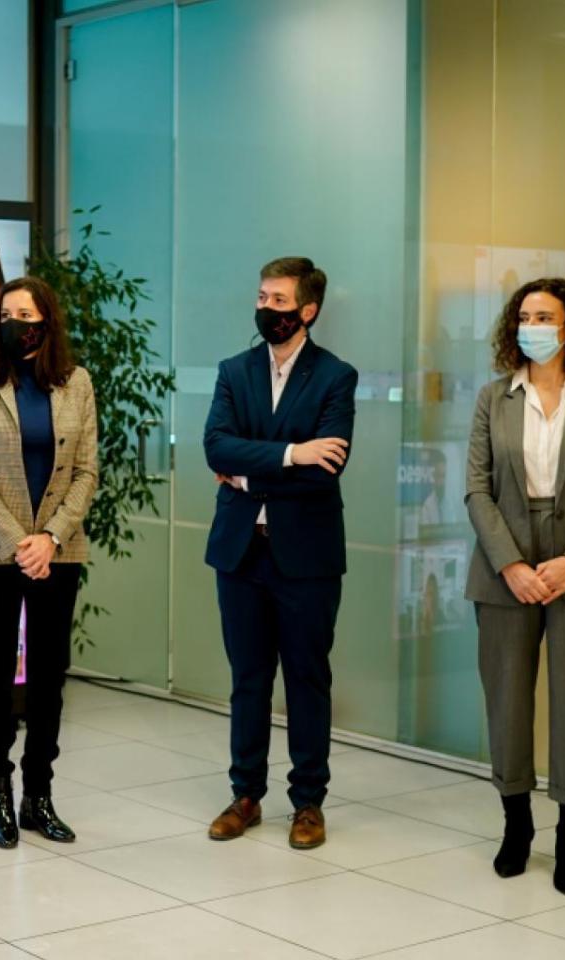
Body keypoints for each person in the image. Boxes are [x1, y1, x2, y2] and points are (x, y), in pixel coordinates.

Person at [465, 277, 565, 897]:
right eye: (525, 315)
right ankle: (516, 827)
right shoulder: (492, 398)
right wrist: (510, 563)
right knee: (507, 702)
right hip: (503, 562)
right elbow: (477, 489)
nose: (533, 325)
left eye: (546, 315)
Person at [204, 257, 356, 851]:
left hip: (307, 556)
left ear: (307, 311)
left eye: (279, 300)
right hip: (241, 553)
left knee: (307, 679)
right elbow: (215, 444)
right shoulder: (233, 371)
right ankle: (246, 795)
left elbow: (330, 466)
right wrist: (293, 454)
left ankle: (308, 802)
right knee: (247, 678)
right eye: (262, 297)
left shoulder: (335, 377)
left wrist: (248, 474)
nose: (266, 308)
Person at [0, 275, 99, 849]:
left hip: (59, 553)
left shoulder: (77, 383)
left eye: (28, 312)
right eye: (9, 313)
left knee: (48, 675)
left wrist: (51, 539)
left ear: (48, 321)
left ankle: (39, 795)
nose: (18, 321)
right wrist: (22, 541)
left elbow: (87, 471)